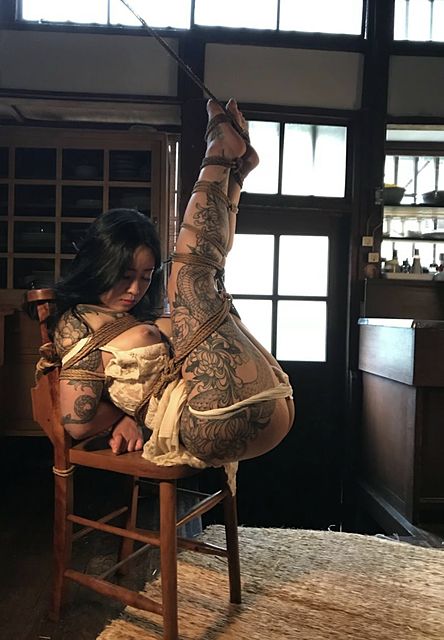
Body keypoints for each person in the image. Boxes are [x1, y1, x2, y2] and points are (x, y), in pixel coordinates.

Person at [50, 98, 295, 472]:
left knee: (208, 279)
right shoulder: (77, 323)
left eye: (145, 277)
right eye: (125, 276)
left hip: (258, 402)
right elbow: (76, 421)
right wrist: (125, 415)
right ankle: (218, 155)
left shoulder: (134, 318)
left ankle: (235, 171)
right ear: (99, 266)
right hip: (207, 421)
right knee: (189, 281)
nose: (135, 289)